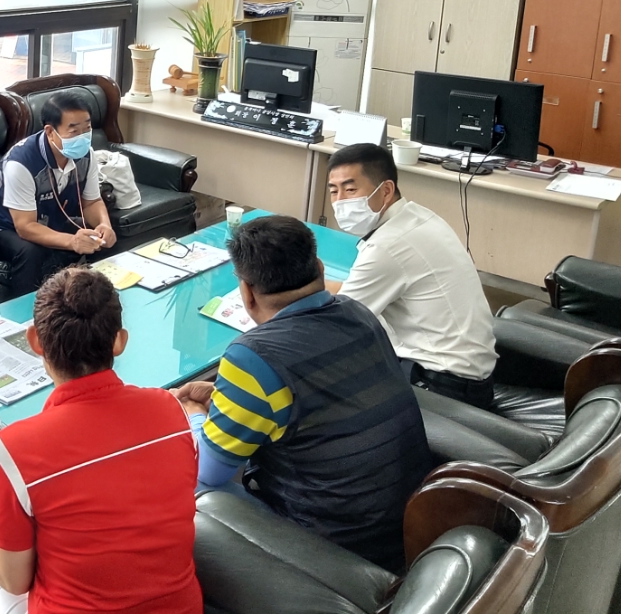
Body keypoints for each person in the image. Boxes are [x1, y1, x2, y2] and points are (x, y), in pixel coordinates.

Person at [173, 215, 430, 574]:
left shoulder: (252, 356)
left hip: (330, 547)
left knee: (187, 483)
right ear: (320, 269)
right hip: (409, 528)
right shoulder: (360, 313)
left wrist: (193, 414)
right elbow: (320, 404)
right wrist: (225, 399)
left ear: (246, 292)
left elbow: (209, 472)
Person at [0, 266, 201, 614]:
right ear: (119, 340)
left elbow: (13, 580)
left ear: (35, 341)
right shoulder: (173, 412)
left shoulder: (15, 449)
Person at [323, 142, 498, 409]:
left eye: (350, 190)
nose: (340, 202)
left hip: (445, 389)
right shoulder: (418, 217)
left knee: (325, 377)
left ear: (386, 190)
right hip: (468, 373)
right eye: (334, 191)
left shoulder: (388, 247)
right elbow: (351, 293)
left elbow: (337, 322)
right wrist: (305, 286)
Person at [0, 92, 116, 299]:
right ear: (50, 132)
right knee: (30, 251)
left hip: (50, 219)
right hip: (5, 229)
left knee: (99, 239)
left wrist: (104, 226)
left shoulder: (86, 154)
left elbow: (91, 202)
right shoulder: (21, 163)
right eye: (74, 131)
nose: (82, 137)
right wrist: (72, 242)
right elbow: (25, 227)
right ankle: (26, 310)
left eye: (87, 129)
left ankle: (100, 302)